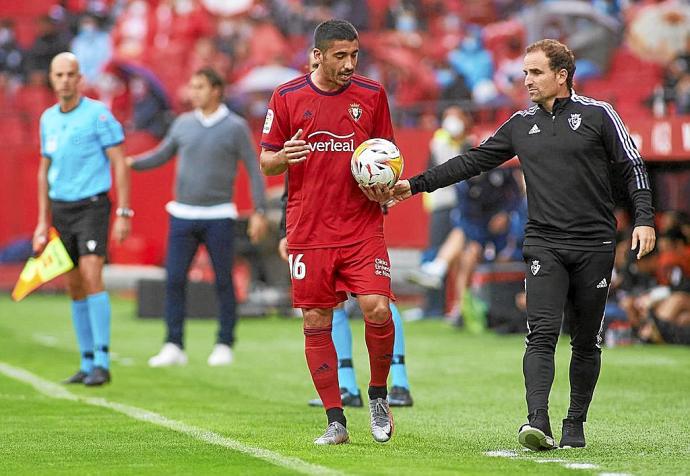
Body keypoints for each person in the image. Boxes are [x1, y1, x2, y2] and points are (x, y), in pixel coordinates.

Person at [371, 39, 657, 451]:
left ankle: (575, 420)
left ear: (561, 76)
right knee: (540, 333)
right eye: (524, 72)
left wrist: (644, 219)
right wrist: (413, 185)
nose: (527, 80)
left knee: (585, 339)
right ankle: (536, 421)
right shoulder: (521, 125)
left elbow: (633, 165)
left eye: (535, 72)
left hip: (595, 243)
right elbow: (471, 161)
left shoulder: (599, 115)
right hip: (543, 243)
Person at [260, 19, 396, 445]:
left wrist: (385, 186)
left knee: (377, 308)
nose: (350, 64)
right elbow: (266, 162)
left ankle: (377, 393)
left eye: (355, 55)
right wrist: (285, 155)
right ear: (317, 55)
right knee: (317, 318)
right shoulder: (286, 96)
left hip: (361, 225)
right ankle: (335, 419)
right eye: (341, 56)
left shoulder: (372, 95)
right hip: (309, 227)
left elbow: (388, 155)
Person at [128, 67, 268, 367]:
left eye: (200, 86)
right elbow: (162, 154)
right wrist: (130, 164)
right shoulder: (182, 123)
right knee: (175, 279)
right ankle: (173, 344)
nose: (194, 93)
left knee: (223, 281)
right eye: (192, 87)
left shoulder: (235, 127)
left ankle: (224, 342)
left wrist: (259, 211)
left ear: (217, 89)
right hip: (182, 214)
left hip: (219, 215)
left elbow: (254, 170)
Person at [34, 52, 131, 386]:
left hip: (92, 206)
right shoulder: (48, 119)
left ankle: (103, 360)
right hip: (61, 208)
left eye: (70, 74)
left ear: (79, 78)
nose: (64, 80)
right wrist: (42, 221)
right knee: (73, 283)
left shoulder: (97, 115)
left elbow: (119, 162)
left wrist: (123, 211)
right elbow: (44, 170)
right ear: (51, 78)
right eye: (58, 74)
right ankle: (86, 360)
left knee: (92, 274)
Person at [277, 191, 413, 408]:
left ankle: (398, 382)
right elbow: (294, 179)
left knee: (377, 299)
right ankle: (348, 385)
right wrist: (286, 227)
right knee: (330, 299)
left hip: (358, 214)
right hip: (318, 220)